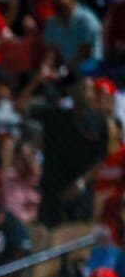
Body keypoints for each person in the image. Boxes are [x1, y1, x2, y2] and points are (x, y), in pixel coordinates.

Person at [17, 63, 109, 228]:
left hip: (80, 194)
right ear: (71, 93)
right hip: (53, 190)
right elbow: (20, 107)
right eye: (79, 88)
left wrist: (80, 183)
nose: (83, 92)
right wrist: (37, 80)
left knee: (76, 242)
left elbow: (103, 159)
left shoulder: (101, 123)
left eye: (87, 89)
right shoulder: (55, 114)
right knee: (50, 242)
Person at [44, 0, 102, 75]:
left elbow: (86, 53)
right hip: (67, 69)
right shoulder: (52, 23)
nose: (56, 3)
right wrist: (45, 69)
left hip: (90, 68)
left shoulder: (87, 20)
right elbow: (51, 52)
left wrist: (61, 72)